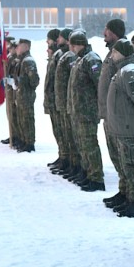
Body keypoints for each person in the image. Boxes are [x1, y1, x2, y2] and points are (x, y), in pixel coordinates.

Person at [105, 38, 134, 218]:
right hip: (122, 127)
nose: (112, 55)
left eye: (115, 52)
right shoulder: (122, 70)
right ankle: (126, 196)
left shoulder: (129, 72)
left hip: (129, 128)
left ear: (123, 53)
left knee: (132, 166)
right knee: (125, 165)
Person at [68, 30, 105, 192]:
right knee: (82, 144)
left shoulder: (92, 59)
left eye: (72, 44)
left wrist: (98, 107)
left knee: (90, 144)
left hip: (87, 112)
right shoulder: (80, 60)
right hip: (79, 111)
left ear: (77, 44)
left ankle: (96, 178)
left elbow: (100, 84)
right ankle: (88, 173)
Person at [99, 19, 126, 206]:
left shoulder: (122, 51)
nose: (104, 33)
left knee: (124, 157)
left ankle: (130, 195)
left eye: (107, 30)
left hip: (117, 114)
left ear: (115, 32)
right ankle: (123, 191)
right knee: (116, 155)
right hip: (108, 113)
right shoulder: (111, 52)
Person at [53, 29, 82, 181]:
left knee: (74, 137)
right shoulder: (66, 55)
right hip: (64, 102)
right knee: (65, 135)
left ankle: (78, 166)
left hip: (71, 104)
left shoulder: (71, 57)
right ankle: (69, 162)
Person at [48, 29, 74, 174]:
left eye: (60, 37)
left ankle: (71, 162)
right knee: (61, 132)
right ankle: (64, 158)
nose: (57, 40)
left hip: (66, 102)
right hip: (58, 101)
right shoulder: (60, 54)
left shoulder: (67, 56)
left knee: (68, 134)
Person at [14, 39, 40, 153]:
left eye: (19, 46)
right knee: (21, 119)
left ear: (26, 47)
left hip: (26, 95)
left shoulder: (28, 61)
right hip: (21, 94)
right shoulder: (21, 60)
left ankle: (29, 142)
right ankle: (24, 140)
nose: (17, 48)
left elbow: (34, 80)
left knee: (27, 120)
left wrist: (25, 84)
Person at [44, 29, 62, 165]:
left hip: (59, 102)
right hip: (54, 101)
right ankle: (63, 157)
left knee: (64, 134)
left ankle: (68, 159)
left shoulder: (60, 56)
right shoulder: (54, 56)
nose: (47, 42)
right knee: (58, 132)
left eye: (49, 39)